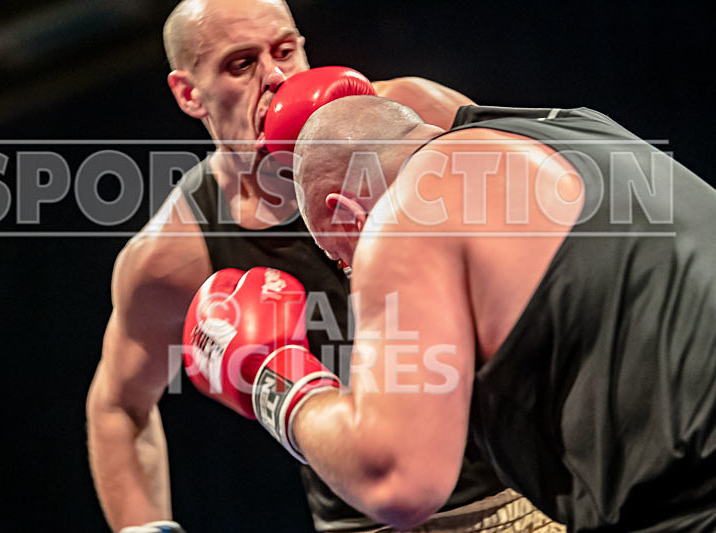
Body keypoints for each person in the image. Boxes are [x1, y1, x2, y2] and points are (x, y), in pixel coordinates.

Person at [87, 0, 562, 532]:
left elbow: (560, 216)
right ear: (189, 93)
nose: (275, 77)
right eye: (241, 64)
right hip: (366, 522)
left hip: (523, 492)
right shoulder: (175, 254)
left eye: (285, 51)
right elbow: (119, 406)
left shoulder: (411, 118)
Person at [181, 93, 716, 531]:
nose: (352, 274)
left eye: (342, 259)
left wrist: (271, 377)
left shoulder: (402, 217)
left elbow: (397, 481)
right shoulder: (574, 124)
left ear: (345, 217)